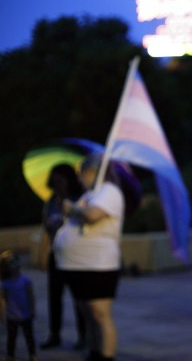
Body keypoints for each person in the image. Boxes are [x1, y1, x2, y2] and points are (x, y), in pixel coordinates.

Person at [53, 154, 125, 361]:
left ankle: (106, 355)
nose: (80, 178)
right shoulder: (91, 193)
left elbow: (92, 216)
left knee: (100, 313)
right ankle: (95, 352)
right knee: (87, 312)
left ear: (92, 171)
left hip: (97, 265)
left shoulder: (109, 191)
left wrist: (71, 208)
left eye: (81, 172)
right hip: (78, 266)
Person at [40, 163, 87, 350]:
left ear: (69, 180)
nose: (57, 183)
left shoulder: (80, 199)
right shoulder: (51, 200)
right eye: (54, 180)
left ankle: (83, 335)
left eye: (60, 179)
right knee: (54, 296)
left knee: (79, 298)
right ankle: (54, 334)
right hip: (56, 254)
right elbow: (46, 224)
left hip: (75, 256)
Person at [0, 250, 39, 361]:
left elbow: (31, 297)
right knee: (11, 337)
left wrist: (32, 310)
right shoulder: (4, 283)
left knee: (29, 337)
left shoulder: (25, 280)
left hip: (26, 315)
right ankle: (10, 355)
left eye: (14, 262)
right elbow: (2, 300)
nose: (13, 266)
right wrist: (2, 314)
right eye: (9, 264)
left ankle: (32, 354)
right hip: (11, 316)